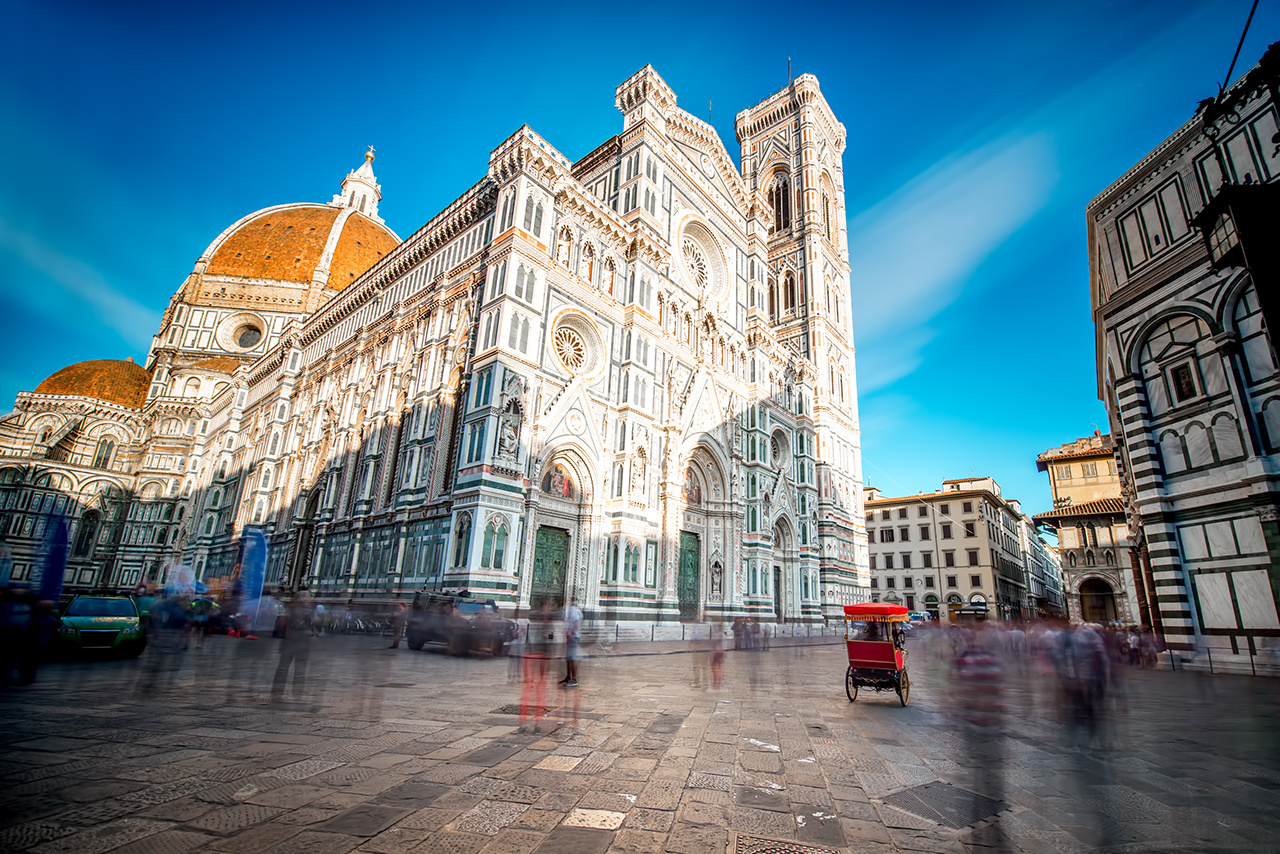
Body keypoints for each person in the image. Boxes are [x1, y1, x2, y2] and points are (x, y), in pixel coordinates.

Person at [561, 597, 582, 687]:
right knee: (569, 657)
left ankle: (574, 679)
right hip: (573, 636)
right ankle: (568, 677)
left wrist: (571, 633)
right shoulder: (577, 611)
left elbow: (576, 623)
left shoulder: (574, 611)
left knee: (572, 658)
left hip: (574, 637)